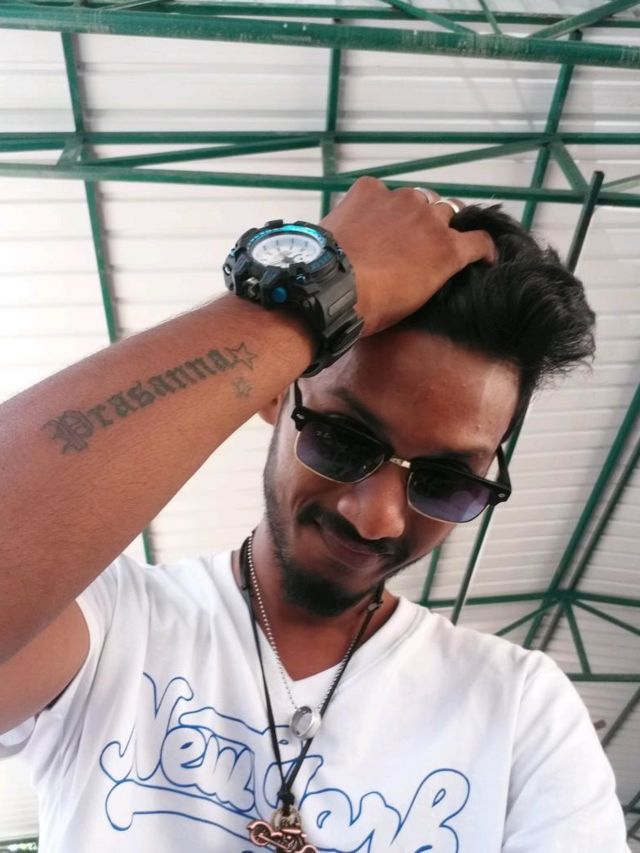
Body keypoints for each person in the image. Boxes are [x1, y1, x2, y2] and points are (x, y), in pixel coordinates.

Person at [0, 177, 628, 852]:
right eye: (344, 440)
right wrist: (301, 306)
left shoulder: (521, 709)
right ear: (275, 393)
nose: (378, 518)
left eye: (446, 482)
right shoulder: (106, 625)